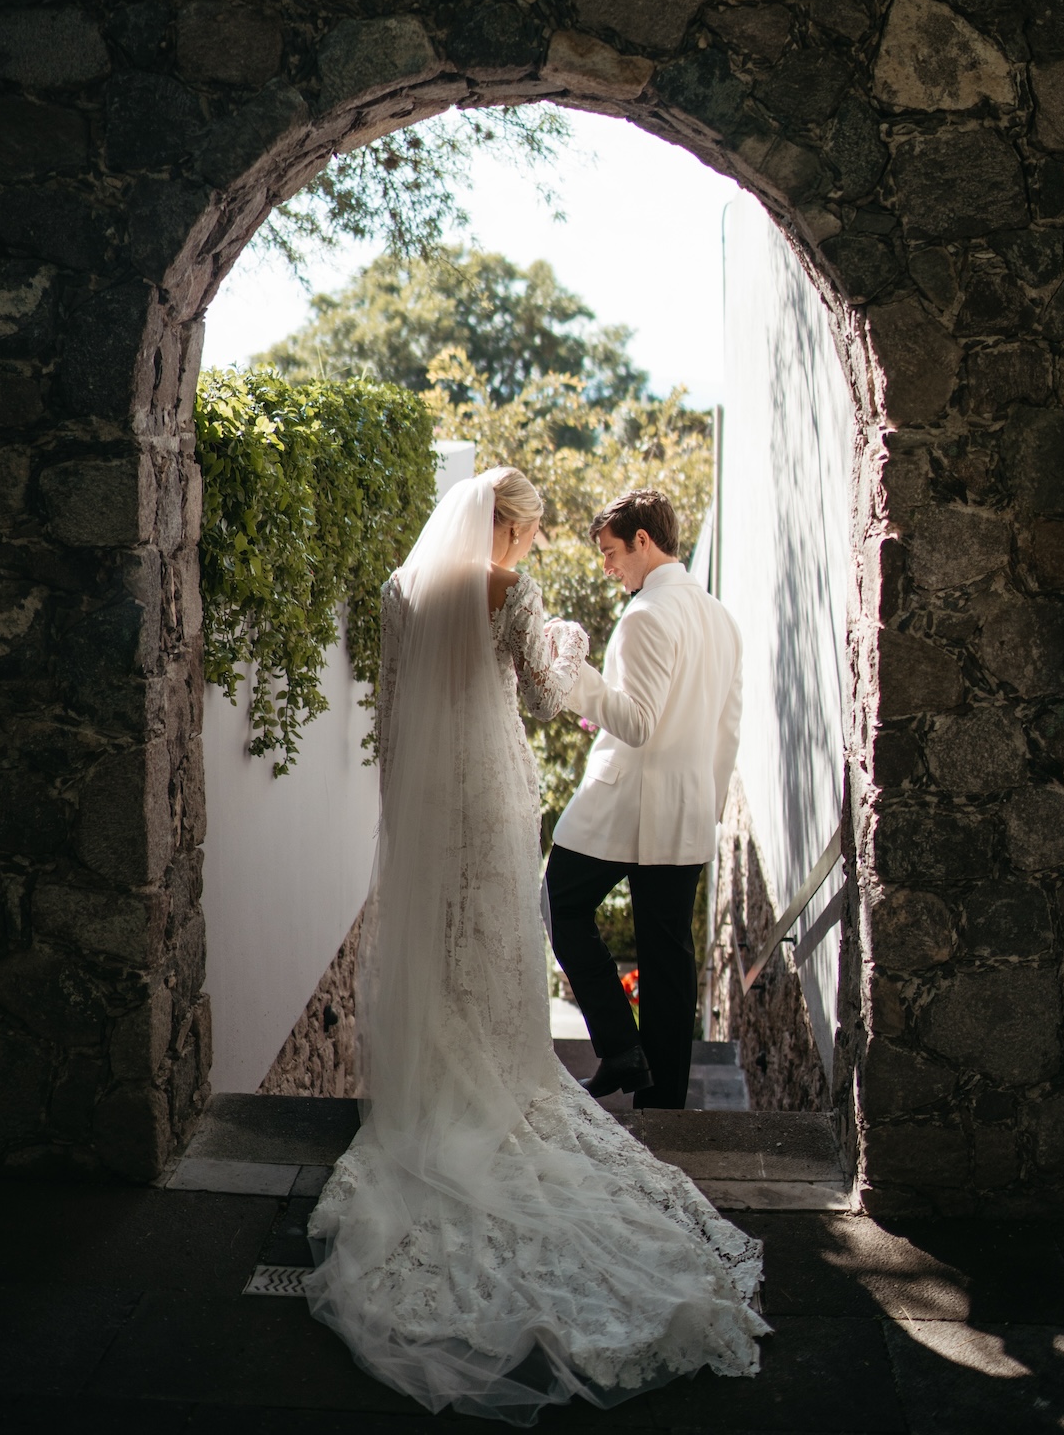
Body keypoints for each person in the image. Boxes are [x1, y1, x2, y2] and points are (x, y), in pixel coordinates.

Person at [305, 467, 765, 1424]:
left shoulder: (401, 590)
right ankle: (520, 1077)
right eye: (534, 532)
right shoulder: (518, 594)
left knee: (443, 939)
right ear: (506, 528)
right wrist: (561, 650)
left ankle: (438, 1081)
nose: (537, 548)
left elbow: (392, 708)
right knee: (510, 940)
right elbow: (559, 700)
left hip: (426, 798)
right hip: (494, 789)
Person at [547, 488, 742, 1110]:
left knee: (559, 901)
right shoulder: (720, 617)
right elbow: (728, 727)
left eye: (610, 553)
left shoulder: (645, 616)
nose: (607, 568)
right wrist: (703, 807)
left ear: (643, 541)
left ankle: (619, 1045)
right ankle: (663, 1103)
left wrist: (572, 678)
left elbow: (636, 723)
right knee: (668, 958)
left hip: (624, 805)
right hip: (683, 810)